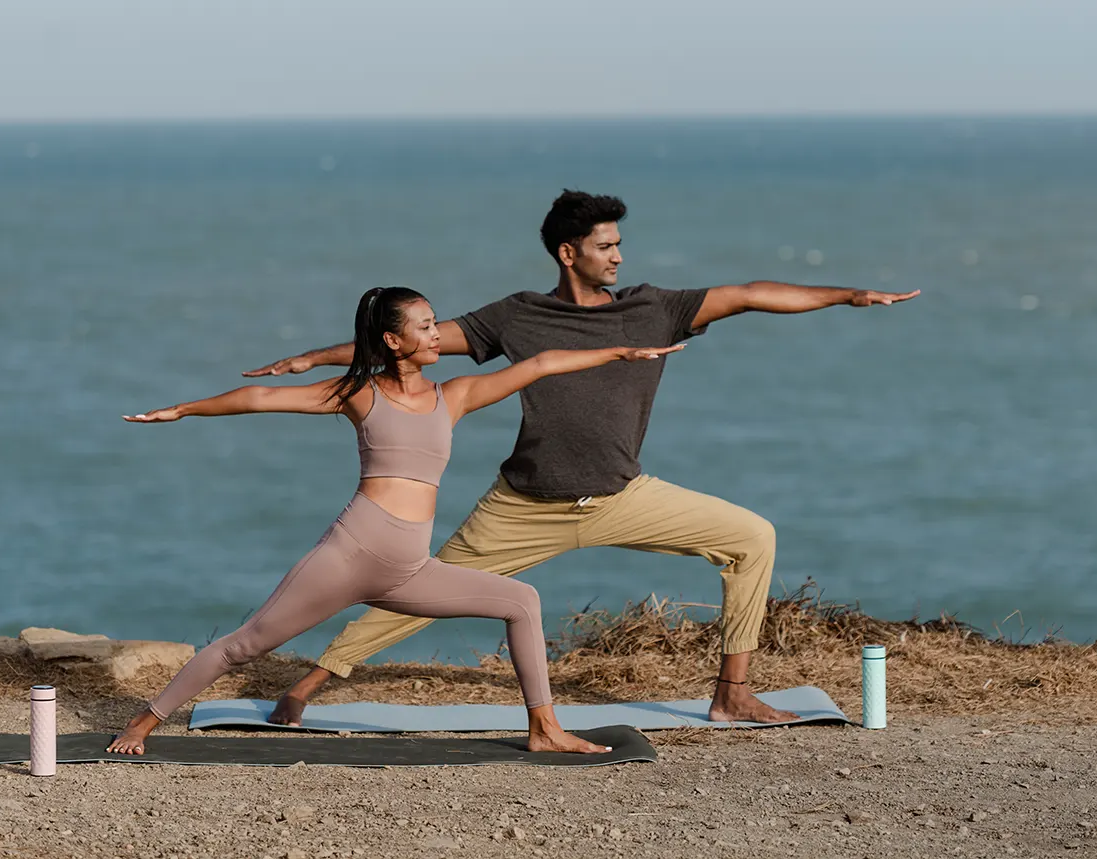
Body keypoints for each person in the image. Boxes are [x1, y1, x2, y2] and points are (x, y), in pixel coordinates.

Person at [247, 190, 918, 726]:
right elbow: (409, 342)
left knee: (753, 538)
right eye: (606, 246)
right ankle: (306, 686)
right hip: (523, 506)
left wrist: (846, 295)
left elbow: (748, 294)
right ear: (569, 253)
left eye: (619, 244)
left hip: (622, 496)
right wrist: (315, 357)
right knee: (415, 593)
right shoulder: (518, 316)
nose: (618, 256)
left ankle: (732, 693)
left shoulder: (655, 308)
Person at [106, 285, 683, 756]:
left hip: (408, 568)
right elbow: (259, 399)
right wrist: (184, 410)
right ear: (393, 339)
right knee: (244, 646)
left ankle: (545, 728)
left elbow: (542, 364)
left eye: (435, 325)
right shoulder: (358, 393)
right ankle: (143, 721)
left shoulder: (454, 396)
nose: (437, 335)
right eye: (425, 326)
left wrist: (620, 353)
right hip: (350, 553)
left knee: (521, 600)